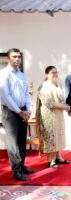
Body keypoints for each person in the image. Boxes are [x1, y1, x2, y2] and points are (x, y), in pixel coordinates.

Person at [0, 48, 34, 181]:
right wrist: (19, 112)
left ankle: (22, 166)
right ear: (8, 58)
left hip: (23, 111)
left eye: (19, 57)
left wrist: (28, 110)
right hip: (10, 112)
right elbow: (5, 96)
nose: (18, 59)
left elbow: (26, 94)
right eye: (14, 57)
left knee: (22, 141)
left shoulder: (22, 75)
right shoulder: (3, 74)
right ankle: (16, 171)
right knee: (13, 144)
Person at [36, 66, 70, 168]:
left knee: (58, 136)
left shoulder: (57, 85)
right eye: (52, 73)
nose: (55, 74)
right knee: (51, 137)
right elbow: (49, 103)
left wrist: (66, 105)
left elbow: (60, 100)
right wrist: (64, 107)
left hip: (58, 115)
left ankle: (58, 157)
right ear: (47, 75)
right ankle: (51, 160)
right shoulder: (44, 86)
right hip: (49, 116)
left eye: (56, 72)